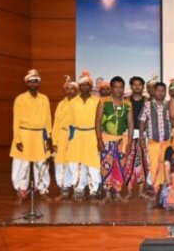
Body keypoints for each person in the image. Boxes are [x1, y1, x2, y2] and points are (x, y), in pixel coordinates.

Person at [10, 69, 52, 201]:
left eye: (35, 81)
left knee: (42, 163)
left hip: (40, 135)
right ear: (27, 83)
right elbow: (16, 120)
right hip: (24, 134)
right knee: (21, 164)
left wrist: (49, 138)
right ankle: (21, 190)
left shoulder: (44, 99)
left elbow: (48, 120)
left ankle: (42, 189)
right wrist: (17, 139)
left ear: (38, 83)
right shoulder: (20, 99)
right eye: (31, 82)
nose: (33, 84)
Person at [96, 76, 133, 202]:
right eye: (115, 87)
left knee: (119, 166)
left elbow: (130, 124)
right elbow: (97, 121)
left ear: (123, 89)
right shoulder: (103, 102)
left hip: (122, 140)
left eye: (121, 87)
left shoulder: (127, 104)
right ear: (111, 88)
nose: (118, 90)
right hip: (106, 139)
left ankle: (117, 192)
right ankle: (107, 193)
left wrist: (129, 143)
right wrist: (99, 140)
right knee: (106, 166)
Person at [66, 71, 101, 200]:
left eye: (87, 84)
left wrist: (99, 138)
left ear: (91, 86)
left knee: (93, 163)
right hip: (77, 135)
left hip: (92, 134)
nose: (85, 87)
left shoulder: (97, 101)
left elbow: (100, 121)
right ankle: (79, 188)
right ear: (79, 87)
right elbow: (70, 122)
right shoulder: (73, 102)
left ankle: (94, 189)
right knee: (77, 163)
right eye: (82, 85)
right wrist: (70, 138)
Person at [139, 82, 172, 196]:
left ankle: (163, 186)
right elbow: (142, 121)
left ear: (165, 92)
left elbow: (173, 121)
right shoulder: (147, 105)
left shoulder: (169, 105)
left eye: (163, 91)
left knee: (165, 164)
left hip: (167, 141)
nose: (160, 93)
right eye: (158, 90)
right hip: (153, 141)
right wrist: (141, 137)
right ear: (154, 91)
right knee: (153, 165)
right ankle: (155, 187)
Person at [52, 75, 78, 199]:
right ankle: (64, 189)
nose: (70, 91)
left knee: (74, 163)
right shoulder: (61, 104)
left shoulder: (80, 103)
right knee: (60, 163)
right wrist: (54, 141)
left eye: (72, 88)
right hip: (62, 135)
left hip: (76, 136)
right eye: (67, 88)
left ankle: (77, 189)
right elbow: (56, 123)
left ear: (76, 90)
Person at [124, 76, 149, 196]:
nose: (137, 86)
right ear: (131, 86)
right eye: (135, 84)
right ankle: (128, 191)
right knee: (128, 163)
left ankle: (141, 191)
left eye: (140, 84)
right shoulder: (125, 101)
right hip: (128, 134)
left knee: (142, 163)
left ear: (143, 86)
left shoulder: (148, 101)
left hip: (143, 135)